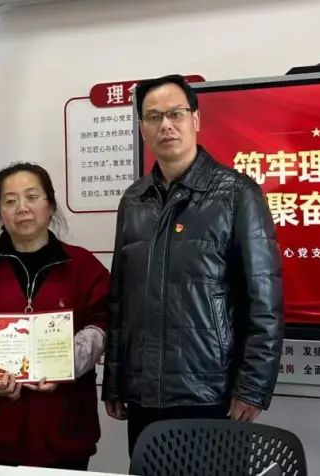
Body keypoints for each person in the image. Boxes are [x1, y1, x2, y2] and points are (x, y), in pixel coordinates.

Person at [102, 74, 284, 454]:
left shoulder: (237, 193)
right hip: (144, 393)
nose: (165, 125)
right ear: (142, 128)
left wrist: (253, 387)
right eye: (154, 117)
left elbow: (265, 302)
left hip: (212, 392)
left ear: (195, 119)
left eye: (176, 114)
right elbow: (120, 299)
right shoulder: (134, 200)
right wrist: (115, 380)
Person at [0, 163, 109, 470]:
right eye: (10, 201)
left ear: (51, 205)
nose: (22, 208)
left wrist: (65, 364)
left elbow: (101, 325)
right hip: (7, 426)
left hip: (67, 425)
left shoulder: (82, 266)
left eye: (32, 197)